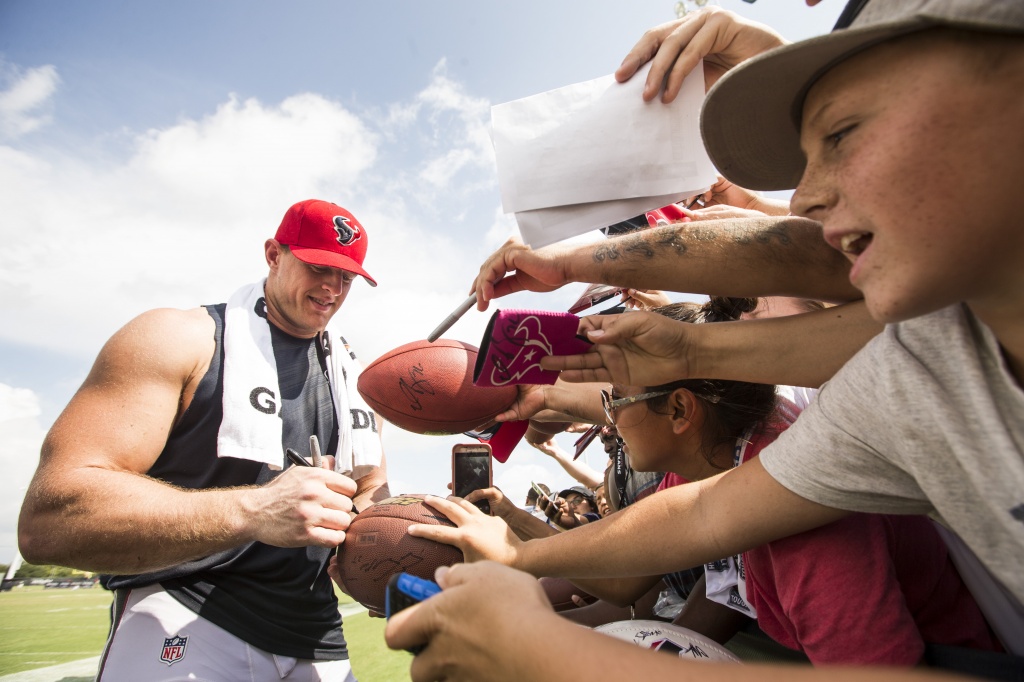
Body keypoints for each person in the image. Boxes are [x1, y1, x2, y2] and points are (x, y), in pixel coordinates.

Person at [387, 1, 1024, 679]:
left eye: (841, 134)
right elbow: (709, 513)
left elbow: (795, 259)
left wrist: (547, 651)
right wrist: (519, 556)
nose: (802, 199)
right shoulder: (920, 360)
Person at [18, 199, 390, 681]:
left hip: (316, 629)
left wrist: (394, 555)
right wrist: (253, 511)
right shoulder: (175, 338)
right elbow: (49, 519)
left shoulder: (358, 380)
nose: (332, 289)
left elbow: (369, 496)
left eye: (347, 277)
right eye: (318, 267)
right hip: (185, 607)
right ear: (274, 255)